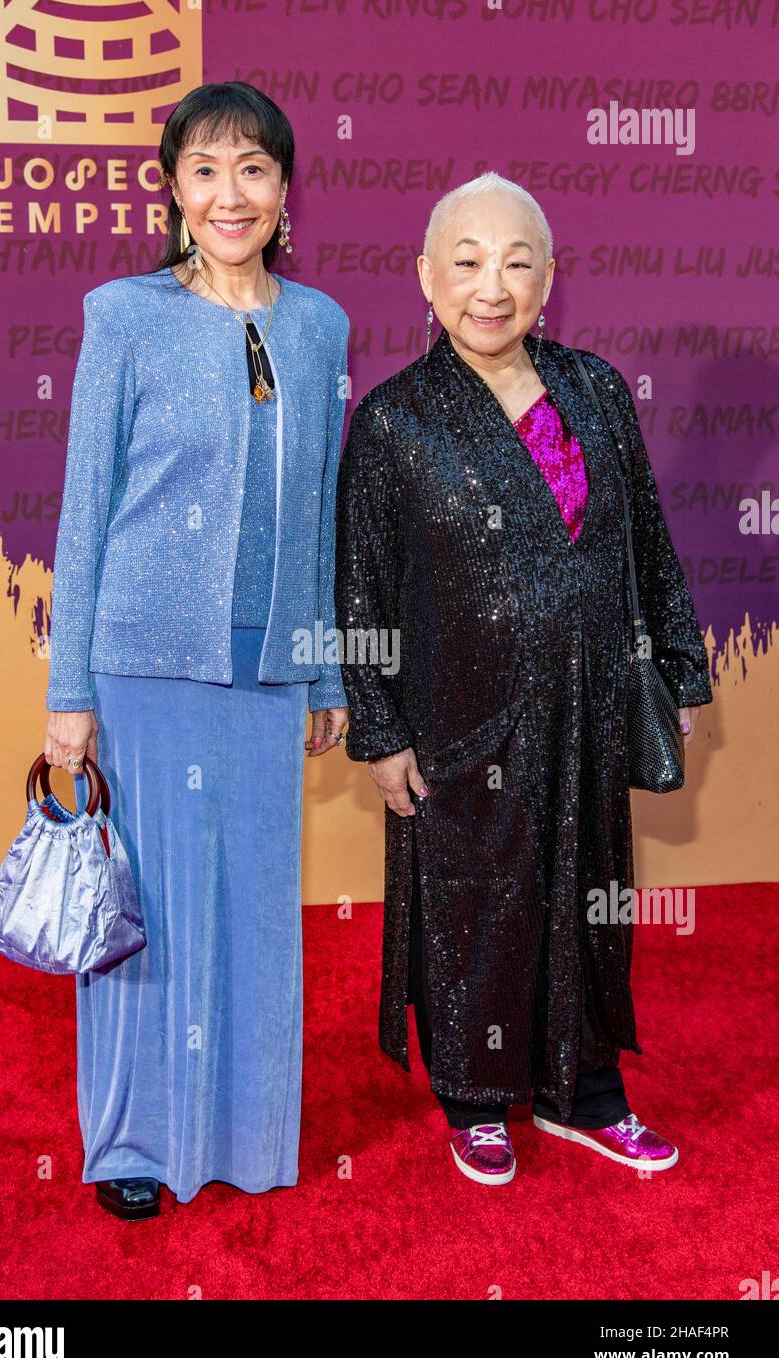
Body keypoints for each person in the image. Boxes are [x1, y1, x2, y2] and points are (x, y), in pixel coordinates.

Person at [334, 172, 712, 1187]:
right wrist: (375, 727)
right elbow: (360, 590)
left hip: (585, 709)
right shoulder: (391, 421)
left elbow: (643, 540)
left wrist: (673, 660)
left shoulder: (593, 389)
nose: (489, 286)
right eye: (464, 262)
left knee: (588, 891)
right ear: (425, 276)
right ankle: (472, 1094)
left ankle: (586, 1091)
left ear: (549, 277)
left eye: (514, 262)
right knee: (476, 901)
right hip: (460, 722)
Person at [44, 82, 349, 1218]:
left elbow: (315, 503)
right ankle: (130, 1142)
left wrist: (318, 665)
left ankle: (245, 1132)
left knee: (258, 907)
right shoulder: (123, 316)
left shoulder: (319, 326)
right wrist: (69, 688)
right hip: (143, 664)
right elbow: (85, 511)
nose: (232, 194)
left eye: (254, 169)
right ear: (171, 187)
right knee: (149, 916)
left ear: (282, 191)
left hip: (265, 670)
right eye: (207, 169)